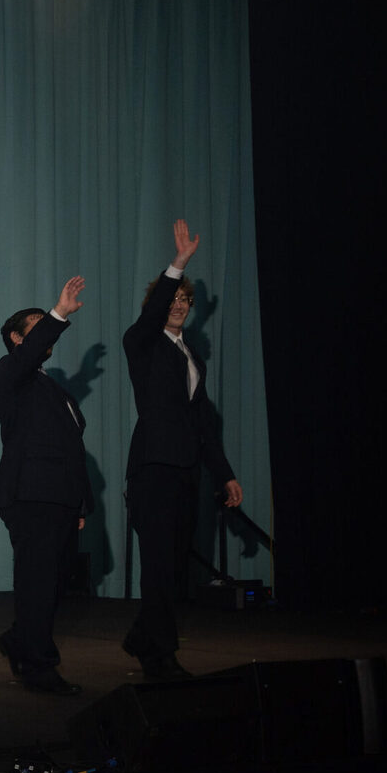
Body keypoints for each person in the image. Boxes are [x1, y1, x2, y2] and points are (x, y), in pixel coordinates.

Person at [122, 220, 242, 680]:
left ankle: (142, 636)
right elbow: (152, 315)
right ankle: (160, 656)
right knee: (157, 564)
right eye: (171, 298)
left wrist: (225, 473)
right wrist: (178, 264)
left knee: (173, 566)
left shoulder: (193, 358)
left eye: (184, 300)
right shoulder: (142, 343)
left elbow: (204, 424)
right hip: (153, 469)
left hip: (186, 472)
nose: (178, 305)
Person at [0, 275, 92, 696]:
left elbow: (70, 447)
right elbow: (29, 354)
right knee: (38, 581)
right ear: (17, 339)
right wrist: (59, 313)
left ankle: (20, 640)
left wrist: (80, 504)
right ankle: (38, 665)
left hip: (60, 498)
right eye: (35, 327)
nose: (43, 334)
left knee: (54, 582)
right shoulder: (10, 373)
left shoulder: (52, 387)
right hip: (30, 494)